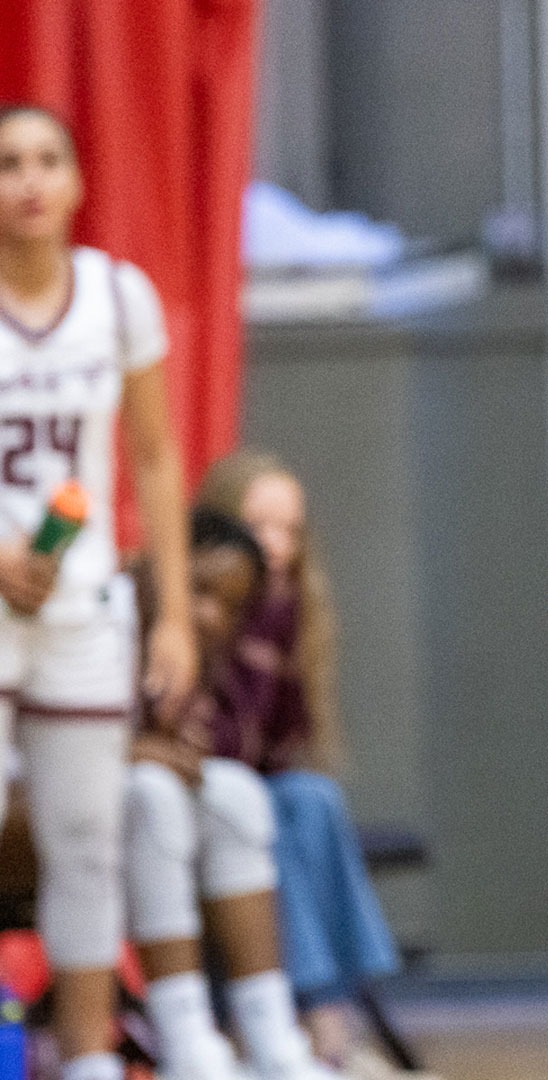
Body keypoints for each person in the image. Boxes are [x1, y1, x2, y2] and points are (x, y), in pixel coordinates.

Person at [0, 104, 198, 1080]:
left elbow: (156, 458)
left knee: (87, 839)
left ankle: (85, 1058)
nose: (29, 180)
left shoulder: (120, 297)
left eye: (47, 160)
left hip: (83, 602)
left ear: (78, 181)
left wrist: (170, 615)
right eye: (8, 163)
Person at [195, 450, 405, 1076]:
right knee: (260, 811)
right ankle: (312, 1017)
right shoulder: (197, 601)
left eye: (290, 530)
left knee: (311, 797)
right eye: (260, 528)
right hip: (198, 786)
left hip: (250, 785)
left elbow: (287, 739)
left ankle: (329, 1007)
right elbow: (210, 734)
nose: (277, 545)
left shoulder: (294, 611)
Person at [124, 508, 341, 1080]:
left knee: (237, 793)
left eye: (229, 605)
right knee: (152, 792)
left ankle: (273, 1039)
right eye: (197, 591)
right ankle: (186, 1041)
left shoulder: (215, 657)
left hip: (148, 809)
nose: (210, 614)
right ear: (160, 568)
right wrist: (140, 750)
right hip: (53, 806)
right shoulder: (109, 612)